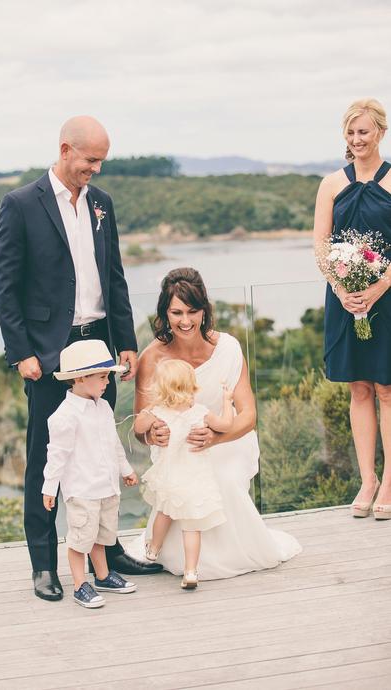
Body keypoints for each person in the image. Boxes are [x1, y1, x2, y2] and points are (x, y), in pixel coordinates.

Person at [0, 115, 162, 602]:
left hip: (99, 347)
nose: (96, 170)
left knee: (101, 451)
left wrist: (125, 339)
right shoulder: (20, 204)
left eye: (101, 161)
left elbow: (115, 276)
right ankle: (44, 565)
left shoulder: (102, 205)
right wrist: (21, 351)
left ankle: (106, 552)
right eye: (91, 160)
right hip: (49, 353)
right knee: (47, 458)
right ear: (66, 149)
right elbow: (4, 286)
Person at [130, 267, 301, 579]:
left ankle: (223, 555)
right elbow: (139, 428)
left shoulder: (229, 348)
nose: (185, 321)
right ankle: (177, 555)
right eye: (176, 312)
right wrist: (153, 434)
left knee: (219, 475)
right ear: (165, 313)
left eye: (193, 311)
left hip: (227, 437)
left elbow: (248, 415)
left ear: (204, 310)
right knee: (186, 479)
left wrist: (215, 439)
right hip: (179, 448)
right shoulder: (152, 358)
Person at [313, 98, 391, 521]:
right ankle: (368, 479)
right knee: (358, 388)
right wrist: (344, 289)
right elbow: (321, 247)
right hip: (345, 300)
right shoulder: (330, 184)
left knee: (387, 389)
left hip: (388, 296)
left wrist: (378, 287)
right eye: (351, 133)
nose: (357, 139)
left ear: (380, 131)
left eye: (364, 131)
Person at [42, 340, 138, 608]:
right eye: (103, 376)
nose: (108, 382)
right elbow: (56, 454)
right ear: (81, 378)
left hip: (106, 487)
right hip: (82, 491)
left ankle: (103, 576)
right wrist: (49, 487)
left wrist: (125, 469)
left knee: (102, 535)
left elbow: (114, 442)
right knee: (81, 539)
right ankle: (80, 584)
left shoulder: (103, 407)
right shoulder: (65, 416)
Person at [134, 359, 233, 589]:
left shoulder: (157, 412)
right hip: (195, 478)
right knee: (192, 527)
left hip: (170, 477)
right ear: (191, 386)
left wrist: (147, 414)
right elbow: (226, 425)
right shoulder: (201, 413)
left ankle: (153, 550)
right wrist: (227, 402)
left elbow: (138, 427)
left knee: (164, 513)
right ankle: (190, 572)